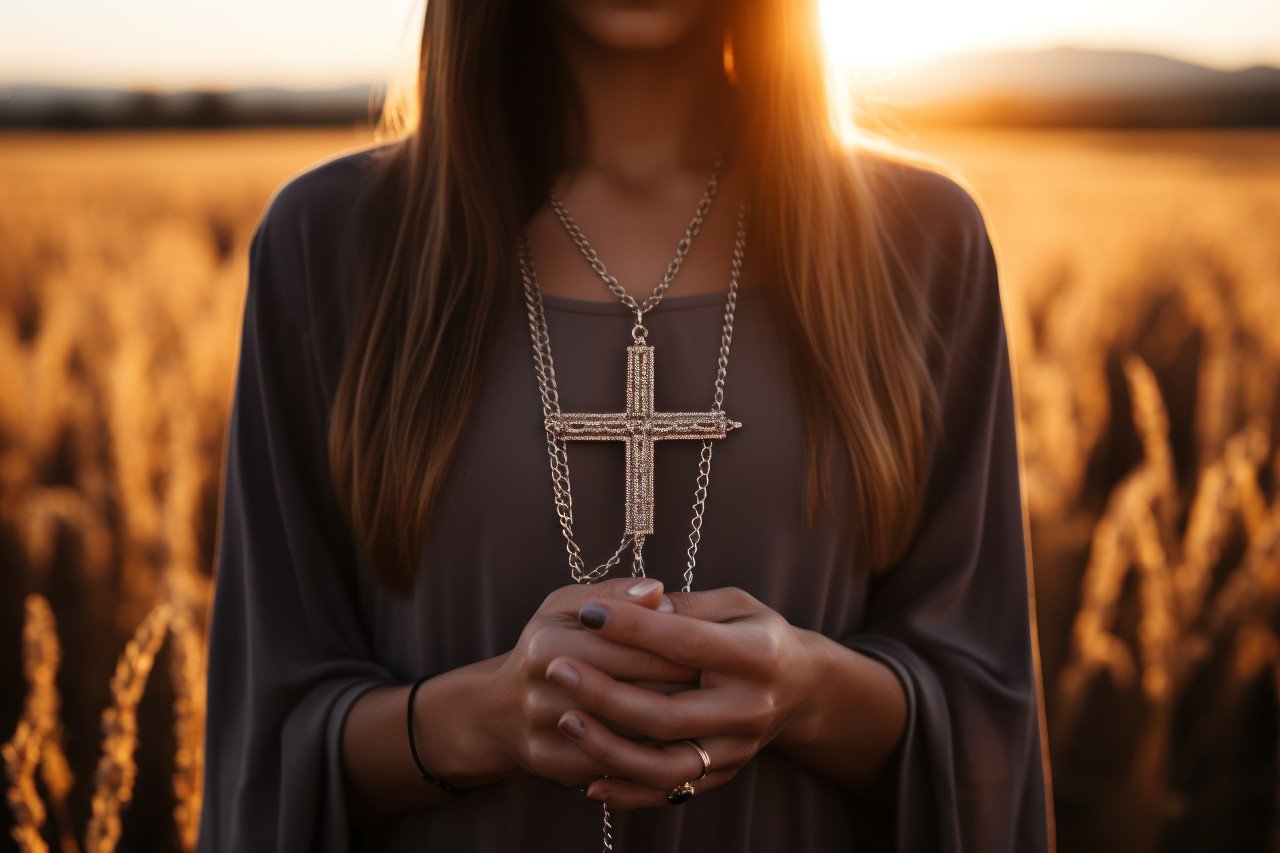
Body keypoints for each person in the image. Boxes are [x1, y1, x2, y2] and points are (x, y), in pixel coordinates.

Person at [196, 0, 1055, 850]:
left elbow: (985, 720)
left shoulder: (922, 243)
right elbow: (263, 739)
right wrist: (481, 720)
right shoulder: (329, 242)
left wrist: (808, 689)